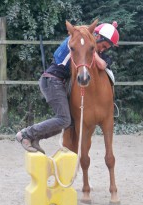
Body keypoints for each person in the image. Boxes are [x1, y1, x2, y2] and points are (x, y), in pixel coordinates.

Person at [16, 21, 120, 153]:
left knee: (69, 121)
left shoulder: (84, 43)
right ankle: (26, 134)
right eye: (103, 46)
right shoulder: (78, 41)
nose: (102, 50)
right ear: (97, 37)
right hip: (53, 81)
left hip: (56, 81)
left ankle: (35, 138)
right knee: (64, 119)